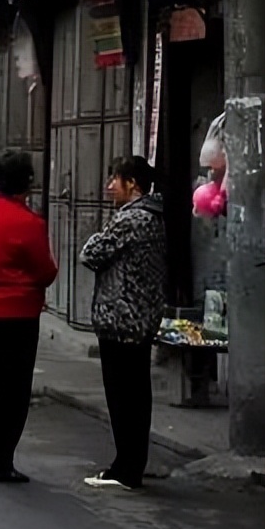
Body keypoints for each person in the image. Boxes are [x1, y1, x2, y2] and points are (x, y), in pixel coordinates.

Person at [0, 150, 59, 484]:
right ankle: (0, 459)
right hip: (17, 311)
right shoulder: (29, 223)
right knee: (15, 388)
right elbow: (45, 271)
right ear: (28, 182)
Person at [79, 156, 167, 491]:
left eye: (115, 179)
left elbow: (91, 253)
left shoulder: (132, 219)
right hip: (141, 316)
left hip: (121, 317)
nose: (110, 186)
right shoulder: (156, 216)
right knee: (137, 395)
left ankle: (125, 468)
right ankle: (133, 463)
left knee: (123, 396)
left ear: (133, 184)